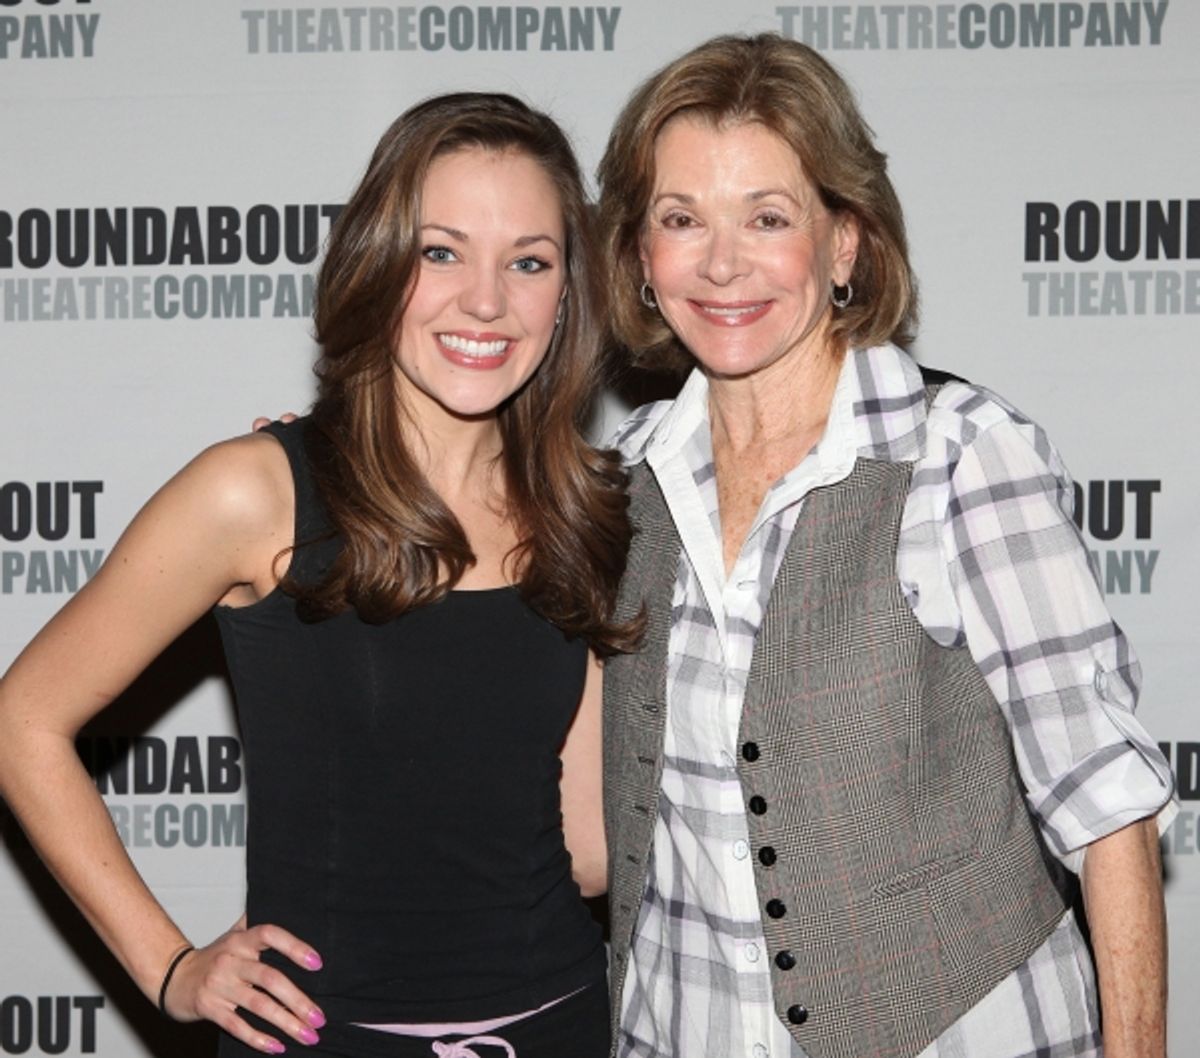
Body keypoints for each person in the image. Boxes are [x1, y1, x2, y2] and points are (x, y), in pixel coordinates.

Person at [0, 92, 637, 1058]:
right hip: (329, 1040)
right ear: (380, 263)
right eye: (441, 251)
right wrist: (168, 967)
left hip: (562, 1026)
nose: (486, 300)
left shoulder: (582, 510)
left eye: (530, 262)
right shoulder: (257, 492)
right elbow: (22, 720)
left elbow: (587, 849)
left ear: (568, 293)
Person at [595, 33, 1174, 1058]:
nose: (722, 262)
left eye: (767, 217)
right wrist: (320, 473)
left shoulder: (959, 455)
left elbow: (1109, 814)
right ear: (641, 254)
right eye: (682, 219)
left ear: (846, 241)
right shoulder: (620, 485)